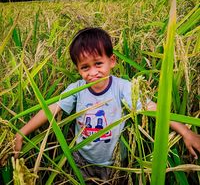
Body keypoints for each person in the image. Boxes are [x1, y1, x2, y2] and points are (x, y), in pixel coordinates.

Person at [14, 27, 200, 183]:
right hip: (81, 162)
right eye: (85, 67)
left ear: (111, 61)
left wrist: (185, 131)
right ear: (78, 69)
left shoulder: (123, 88)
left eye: (98, 63)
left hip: (115, 163)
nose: (93, 72)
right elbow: (51, 110)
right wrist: (22, 133)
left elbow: (152, 108)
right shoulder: (76, 89)